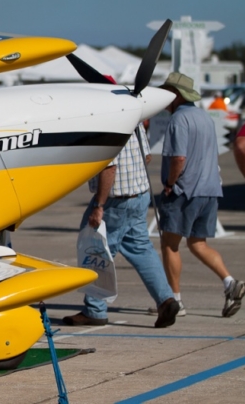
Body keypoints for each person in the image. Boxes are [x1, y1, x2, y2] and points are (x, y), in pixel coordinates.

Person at [63, 115, 179, 328]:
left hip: (116, 200)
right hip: (139, 194)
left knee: (95, 248)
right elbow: (147, 157)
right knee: (141, 248)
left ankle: (95, 309)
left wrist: (99, 204)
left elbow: (110, 168)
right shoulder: (133, 119)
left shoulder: (104, 122)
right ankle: (166, 299)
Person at [158, 72, 245, 318]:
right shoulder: (204, 118)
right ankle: (229, 281)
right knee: (198, 243)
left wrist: (169, 183)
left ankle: (176, 301)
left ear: (176, 95)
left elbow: (179, 158)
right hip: (210, 188)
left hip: (185, 190)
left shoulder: (178, 120)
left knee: (169, 245)